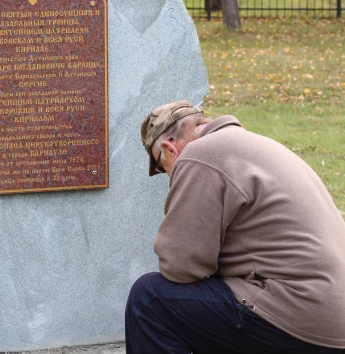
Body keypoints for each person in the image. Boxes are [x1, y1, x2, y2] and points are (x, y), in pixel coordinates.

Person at [126, 100, 345, 354]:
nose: (170, 177)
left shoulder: (199, 155)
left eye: (164, 168)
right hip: (327, 316)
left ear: (168, 149)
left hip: (303, 318)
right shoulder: (258, 145)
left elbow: (180, 266)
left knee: (150, 299)